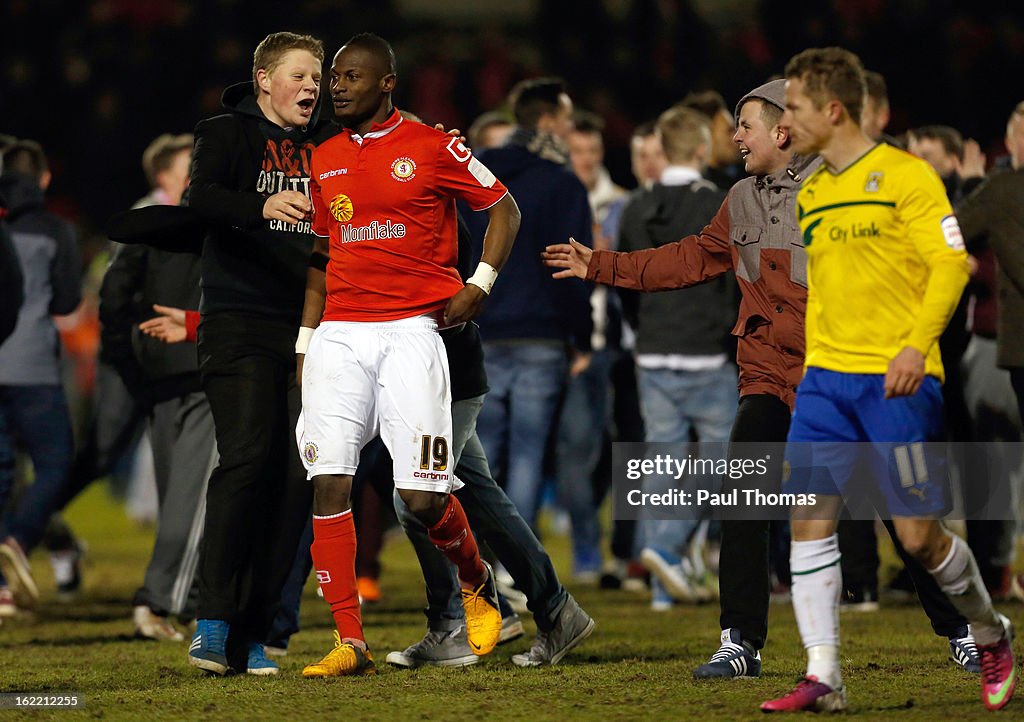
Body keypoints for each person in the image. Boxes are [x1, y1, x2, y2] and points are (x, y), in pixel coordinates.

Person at [543, 78, 981, 682]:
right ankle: (739, 642)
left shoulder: (838, 192)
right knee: (742, 498)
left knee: (896, 509)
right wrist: (605, 265)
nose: (735, 136)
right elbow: (693, 256)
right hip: (769, 375)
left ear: (782, 130)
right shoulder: (741, 197)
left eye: (745, 124)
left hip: (840, 372)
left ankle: (963, 630)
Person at [760, 46, 1014, 713]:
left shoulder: (907, 177)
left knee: (918, 538)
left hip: (897, 382)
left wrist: (914, 345)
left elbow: (952, 266)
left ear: (833, 110)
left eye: (795, 107)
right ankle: (825, 676)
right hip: (826, 383)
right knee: (807, 519)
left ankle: (990, 631)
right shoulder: (812, 188)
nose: (786, 118)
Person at [296, 33, 521, 678]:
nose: (336, 86)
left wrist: (480, 283)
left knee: (421, 498)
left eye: (351, 77)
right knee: (329, 479)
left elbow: (503, 205)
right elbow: (321, 256)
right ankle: (349, 641)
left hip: (411, 334)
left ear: (386, 82)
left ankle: (478, 586)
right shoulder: (325, 158)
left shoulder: (433, 146)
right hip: (340, 332)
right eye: (333, 77)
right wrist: (306, 342)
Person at [184, 31, 337, 677]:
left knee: (295, 478)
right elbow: (201, 199)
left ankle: (254, 630)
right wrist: (261, 204)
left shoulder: (330, 144)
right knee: (247, 459)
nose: (312, 86)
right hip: (240, 321)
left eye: (319, 76)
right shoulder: (225, 132)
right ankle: (212, 621)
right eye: (300, 74)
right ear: (264, 77)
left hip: (313, 330)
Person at [618, 106, 736, 610]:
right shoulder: (719, 203)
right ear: (704, 150)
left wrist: (646, 327)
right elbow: (735, 281)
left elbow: (624, 279)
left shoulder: (636, 207)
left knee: (660, 461)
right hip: (707, 351)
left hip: (654, 351)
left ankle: (660, 582)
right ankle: (667, 549)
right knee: (723, 461)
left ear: (662, 150)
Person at [464, 77, 593, 532]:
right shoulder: (561, 183)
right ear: (547, 122)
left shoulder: (475, 175)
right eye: (565, 121)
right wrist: (581, 335)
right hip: (541, 335)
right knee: (527, 453)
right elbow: (570, 268)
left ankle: (478, 557)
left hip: (480, 329)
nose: (569, 130)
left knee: (481, 454)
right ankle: (512, 565)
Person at [99, 132, 214, 642]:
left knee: (178, 498)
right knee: (193, 503)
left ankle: (184, 602)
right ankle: (158, 600)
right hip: (203, 377)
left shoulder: (143, 230)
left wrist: (134, 371)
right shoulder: (226, 232)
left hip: (156, 380)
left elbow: (112, 304)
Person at [0, 140, 82, 612]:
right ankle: (17, 537)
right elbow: (67, 303)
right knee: (54, 463)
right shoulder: (56, 230)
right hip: (32, 367)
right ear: (45, 179)